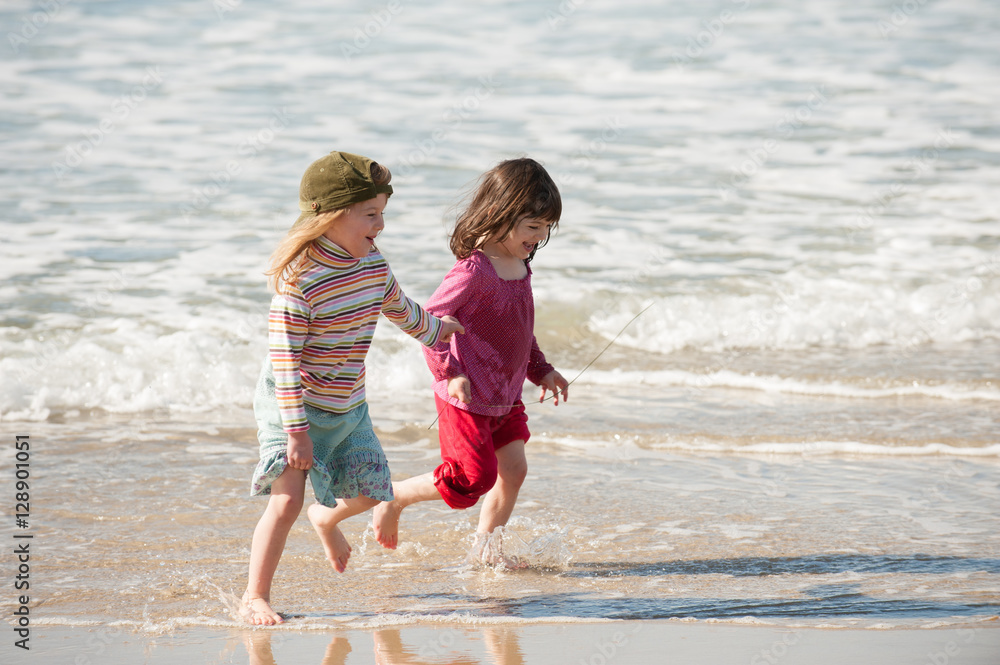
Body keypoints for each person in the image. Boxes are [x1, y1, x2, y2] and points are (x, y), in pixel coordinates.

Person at [242, 151, 464, 625]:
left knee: (374, 493)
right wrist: (297, 432)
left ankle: (326, 520)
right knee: (287, 501)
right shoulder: (300, 283)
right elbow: (284, 365)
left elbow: (399, 307)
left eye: (383, 212)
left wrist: (437, 330)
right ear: (332, 216)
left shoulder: (371, 262)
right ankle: (255, 596)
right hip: (293, 406)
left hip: (347, 404)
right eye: (371, 214)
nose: (381, 224)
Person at [372, 157, 569, 562]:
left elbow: (520, 326)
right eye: (534, 226)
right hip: (465, 395)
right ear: (501, 214)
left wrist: (541, 368)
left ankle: (487, 549)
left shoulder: (520, 265)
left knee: (514, 470)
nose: (541, 236)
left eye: (547, 227)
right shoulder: (473, 271)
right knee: (473, 479)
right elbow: (428, 323)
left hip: (505, 393)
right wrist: (451, 373)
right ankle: (394, 497)